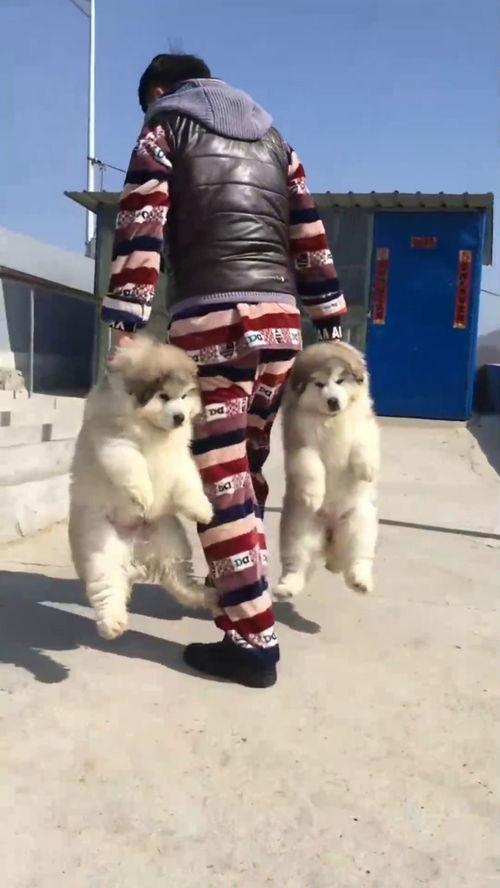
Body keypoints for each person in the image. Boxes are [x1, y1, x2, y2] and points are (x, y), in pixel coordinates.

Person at [103, 53, 346, 688]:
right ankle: (238, 587)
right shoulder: (273, 138)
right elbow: (308, 231)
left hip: (215, 324)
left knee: (219, 483)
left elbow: (142, 221)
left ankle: (252, 640)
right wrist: (329, 314)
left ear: (161, 89)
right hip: (279, 325)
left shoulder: (165, 125)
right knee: (245, 470)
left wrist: (127, 315)